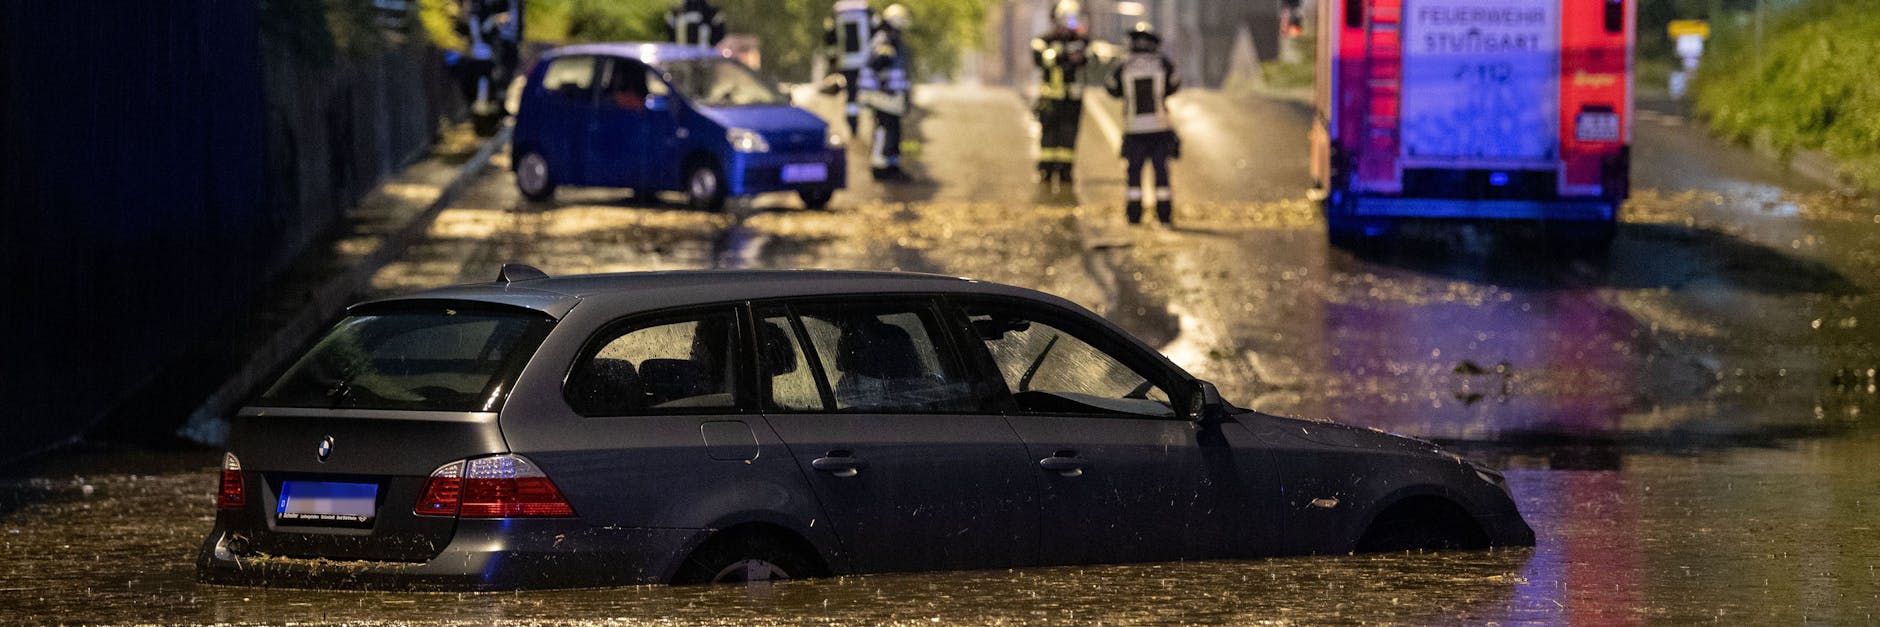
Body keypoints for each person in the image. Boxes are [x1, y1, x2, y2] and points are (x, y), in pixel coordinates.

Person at [1105, 22, 1181, 226]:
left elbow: (1112, 89)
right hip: (1159, 128)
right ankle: (1164, 214)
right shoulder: (1163, 64)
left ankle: (1134, 214)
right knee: (1161, 173)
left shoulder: (1122, 65)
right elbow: (1174, 85)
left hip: (1134, 130)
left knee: (1134, 174)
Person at [1031, 0, 1091, 185]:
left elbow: (1085, 60)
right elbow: (1041, 60)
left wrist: (1068, 54)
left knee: (1069, 136)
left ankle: (1066, 171)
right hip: (1050, 99)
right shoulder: (1043, 41)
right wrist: (1064, 55)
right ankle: (1046, 170)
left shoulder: (1081, 42)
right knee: (1049, 136)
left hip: (1072, 99)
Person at [863, 4, 913, 181]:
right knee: (884, 131)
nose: (900, 33)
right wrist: (884, 85)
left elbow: (899, 74)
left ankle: (892, 166)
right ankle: (880, 168)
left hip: (891, 98)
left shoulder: (891, 43)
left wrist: (906, 96)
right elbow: (877, 66)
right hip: (882, 98)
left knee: (894, 132)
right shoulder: (884, 42)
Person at [822, 0, 876, 134]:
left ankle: (853, 126)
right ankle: (874, 124)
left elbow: (830, 38)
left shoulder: (838, 11)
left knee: (851, 95)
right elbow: (877, 32)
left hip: (846, 63)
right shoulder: (865, 9)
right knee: (870, 91)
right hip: (866, 62)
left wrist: (832, 63)